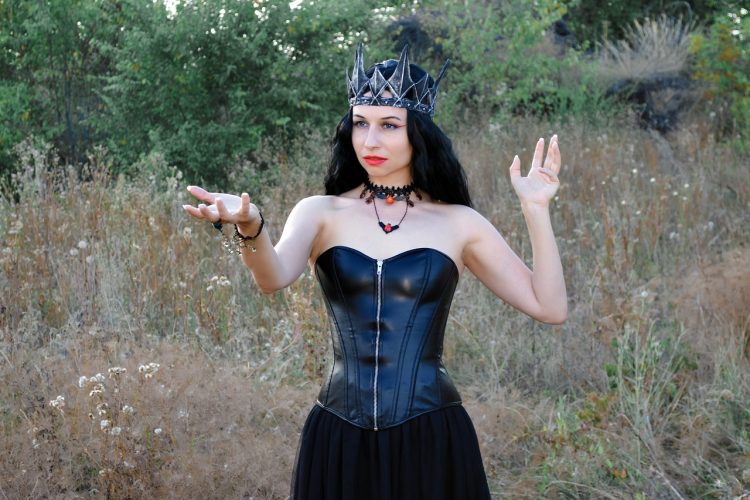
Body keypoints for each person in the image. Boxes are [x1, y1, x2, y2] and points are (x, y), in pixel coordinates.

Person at [183, 43, 567, 500]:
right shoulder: (320, 212)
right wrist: (251, 225)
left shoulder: (459, 223)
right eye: (361, 123)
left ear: (418, 133)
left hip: (431, 438)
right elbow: (272, 278)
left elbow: (550, 307)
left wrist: (535, 210)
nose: (369, 141)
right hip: (339, 438)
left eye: (389, 125)